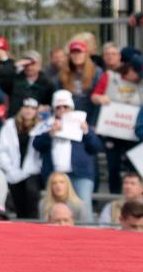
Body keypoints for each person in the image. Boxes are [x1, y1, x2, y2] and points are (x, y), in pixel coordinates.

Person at [32, 90, 103, 206]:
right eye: (58, 107)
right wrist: (49, 134)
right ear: (54, 109)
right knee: (55, 209)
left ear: (71, 107)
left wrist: (86, 131)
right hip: (55, 175)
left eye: (65, 107)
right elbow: (37, 145)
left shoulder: (82, 122)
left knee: (84, 209)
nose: (62, 110)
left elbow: (95, 147)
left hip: (80, 174)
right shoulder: (47, 124)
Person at [91, 54, 143, 194]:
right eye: (137, 73)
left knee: (134, 169)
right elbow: (94, 97)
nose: (138, 77)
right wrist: (101, 98)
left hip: (133, 135)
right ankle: (114, 197)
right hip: (112, 132)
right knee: (113, 167)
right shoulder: (110, 77)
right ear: (130, 69)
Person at [0, 97, 43, 219]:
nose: (28, 111)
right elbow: (1, 151)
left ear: (36, 111)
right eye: (26, 107)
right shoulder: (9, 126)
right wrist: (10, 169)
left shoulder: (42, 126)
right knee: (18, 205)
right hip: (12, 172)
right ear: (20, 109)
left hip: (34, 172)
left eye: (32, 108)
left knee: (32, 199)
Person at [0, 49, 55, 118]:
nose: (29, 67)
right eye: (26, 64)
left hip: (37, 120)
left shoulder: (46, 83)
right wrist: (15, 65)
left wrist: (46, 107)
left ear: (39, 65)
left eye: (33, 64)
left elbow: (52, 104)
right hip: (16, 119)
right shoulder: (15, 80)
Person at [56, 39, 103, 117]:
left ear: (86, 54)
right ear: (69, 56)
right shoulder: (63, 73)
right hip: (69, 115)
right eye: (73, 53)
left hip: (91, 113)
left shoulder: (96, 72)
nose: (76, 55)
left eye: (79, 52)